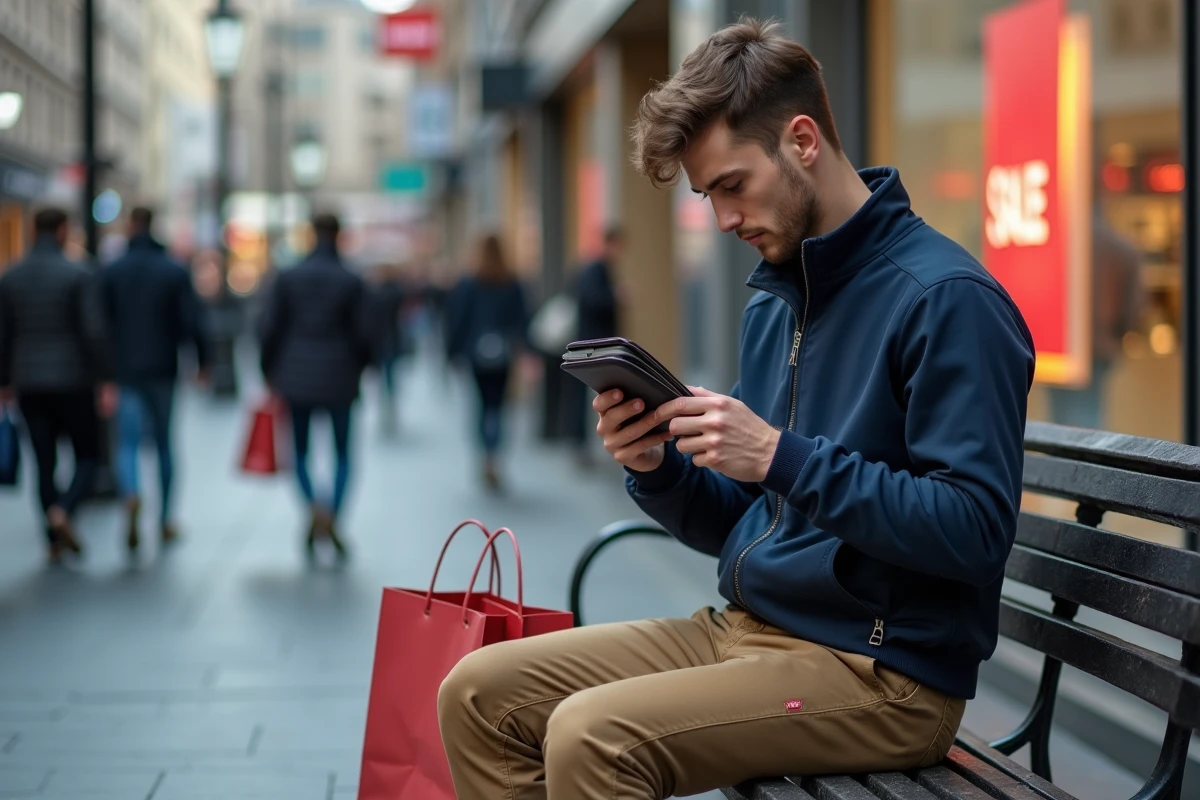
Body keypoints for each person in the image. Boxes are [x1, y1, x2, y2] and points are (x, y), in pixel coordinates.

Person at [438, 19, 1036, 799]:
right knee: (477, 692)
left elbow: (975, 531)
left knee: (594, 738)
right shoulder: (775, 303)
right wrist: (657, 470)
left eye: (732, 185)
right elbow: (752, 524)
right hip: (746, 632)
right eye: (706, 195)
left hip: (883, 674)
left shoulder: (947, 300)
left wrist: (779, 456)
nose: (722, 220)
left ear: (802, 141)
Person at [0, 207, 116, 564]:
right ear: (63, 231)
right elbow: (94, 331)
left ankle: (51, 540)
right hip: (73, 379)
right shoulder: (78, 273)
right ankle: (63, 511)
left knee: (44, 459)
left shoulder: (11, 277)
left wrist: (4, 380)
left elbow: (3, 335)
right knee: (87, 453)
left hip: (29, 381)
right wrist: (105, 378)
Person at [257, 213, 376, 559]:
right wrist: (361, 367)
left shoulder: (290, 277)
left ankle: (314, 507)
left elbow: (269, 328)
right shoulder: (351, 280)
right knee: (343, 454)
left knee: (301, 452)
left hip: (296, 378)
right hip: (340, 377)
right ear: (339, 235)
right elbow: (367, 334)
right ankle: (333, 514)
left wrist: (269, 370)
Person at [103, 206, 211, 554]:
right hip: (164, 368)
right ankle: (165, 519)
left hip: (124, 370)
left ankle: (132, 493)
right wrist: (203, 361)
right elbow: (192, 319)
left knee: (128, 443)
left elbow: (100, 325)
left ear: (130, 227)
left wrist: (102, 372)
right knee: (164, 443)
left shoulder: (113, 270)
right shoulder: (173, 270)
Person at [443, 234, 530, 491]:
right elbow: (522, 320)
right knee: (499, 407)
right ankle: (495, 457)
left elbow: (457, 320)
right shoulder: (511, 282)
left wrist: (452, 353)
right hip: (502, 355)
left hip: (475, 355)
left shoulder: (468, 283)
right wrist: (525, 350)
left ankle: (485, 456)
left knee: (480, 407)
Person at [566, 226, 624, 467]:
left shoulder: (593, 267)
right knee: (593, 395)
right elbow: (592, 300)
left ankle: (589, 444)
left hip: (591, 342)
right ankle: (582, 445)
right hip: (592, 344)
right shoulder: (596, 269)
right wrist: (615, 297)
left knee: (597, 394)